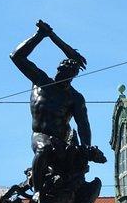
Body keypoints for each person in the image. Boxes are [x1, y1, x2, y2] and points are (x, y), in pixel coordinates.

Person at [10, 19, 92, 186]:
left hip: (62, 140)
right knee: (44, 148)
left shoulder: (74, 97)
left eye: (69, 75)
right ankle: (38, 191)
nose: (64, 77)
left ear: (73, 76)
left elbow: (83, 125)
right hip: (40, 135)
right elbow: (17, 57)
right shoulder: (41, 81)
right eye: (62, 72)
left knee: (75, 176)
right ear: (58, 70)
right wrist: (39, 35)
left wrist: (86, 148)